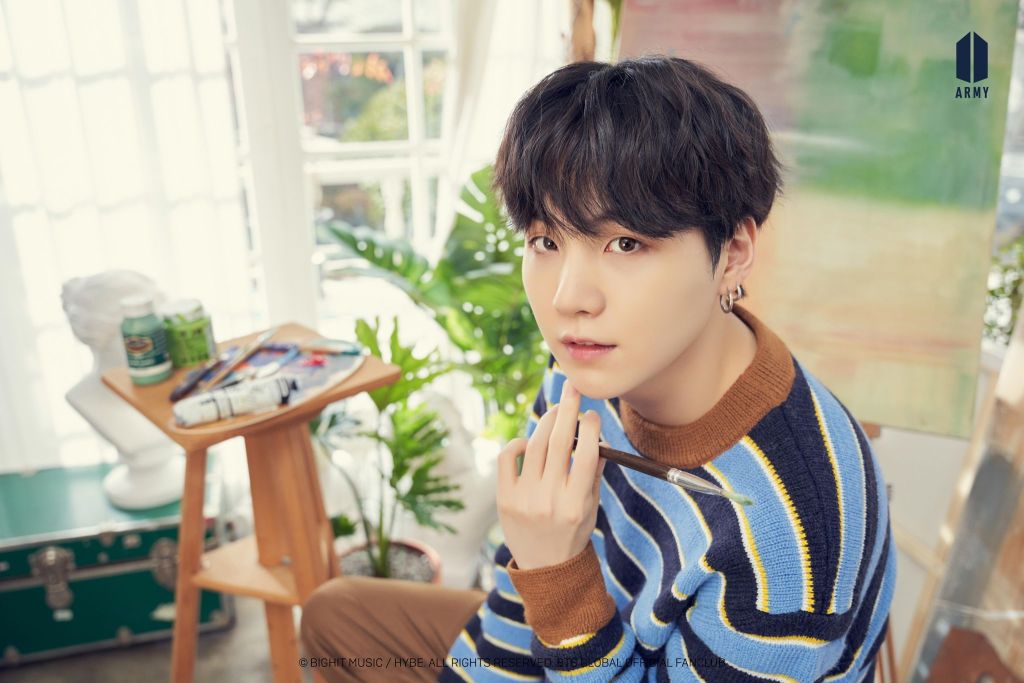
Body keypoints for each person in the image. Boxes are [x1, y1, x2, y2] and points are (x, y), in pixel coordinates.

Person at [301, 54, 896, 683]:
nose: (568, 299)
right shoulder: (589, 362)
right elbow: (518, 597)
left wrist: (557, 575)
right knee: (337, 616)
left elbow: (552, 587)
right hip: (562, 639)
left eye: (626, 243)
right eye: (546, 241)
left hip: (590, 648)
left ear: (733, 253)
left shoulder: (794, 538)